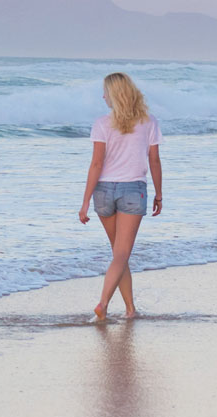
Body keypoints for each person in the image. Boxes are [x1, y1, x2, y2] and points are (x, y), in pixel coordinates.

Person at [79, 72, 163, 321]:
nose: (103, 96)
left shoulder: (102, 123)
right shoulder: (149, 122)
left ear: (115, 95)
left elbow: (96, 164)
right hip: (132, 191)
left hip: (103, 192)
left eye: (105, 91)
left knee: (119, 253)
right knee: (121, 254)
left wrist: (85, 201)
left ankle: (130, 310)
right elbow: (155, 161)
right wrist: (159, 193)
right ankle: (103, 304)